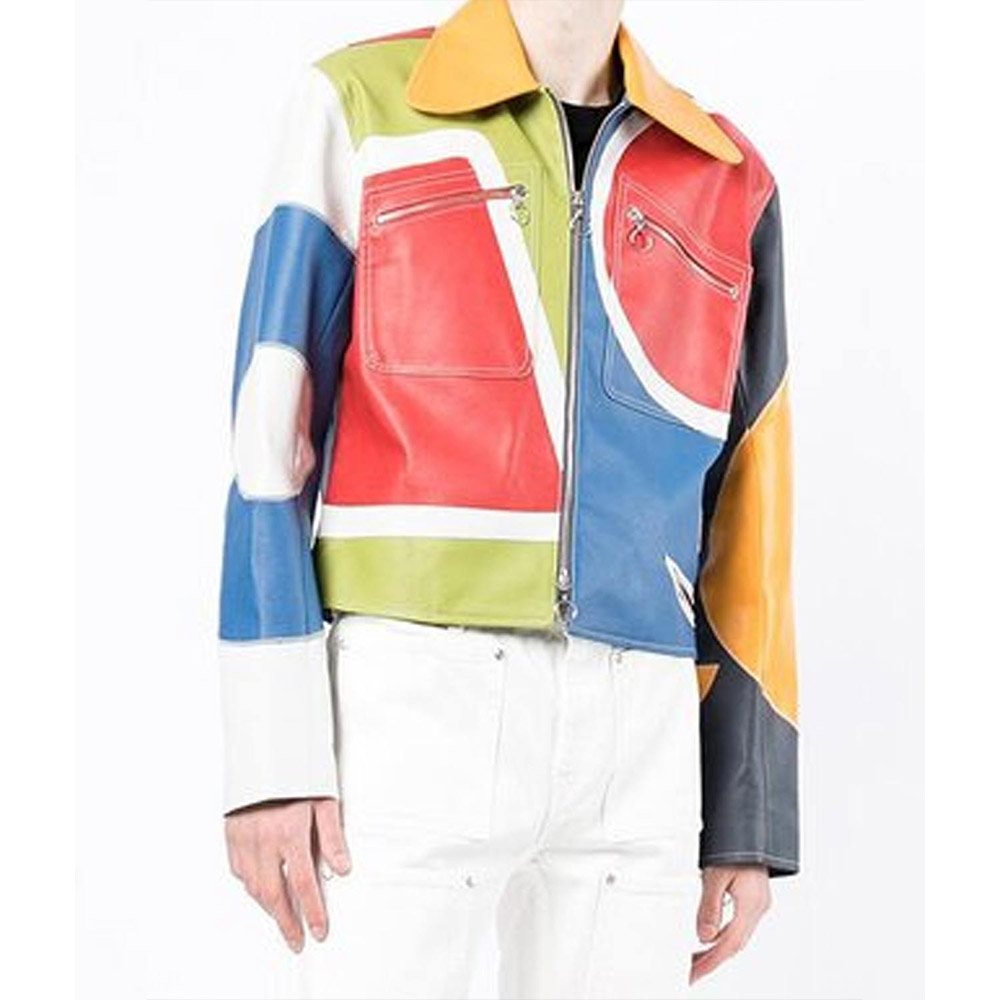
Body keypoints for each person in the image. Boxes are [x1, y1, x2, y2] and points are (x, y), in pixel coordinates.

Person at [217, 0, 799, 996]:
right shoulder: (361, 103)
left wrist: (748, 810)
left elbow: (751, 506)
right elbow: (269, 442)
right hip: (411, 702)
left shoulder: (727, 176)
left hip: (641, 731)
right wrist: (272, 755)